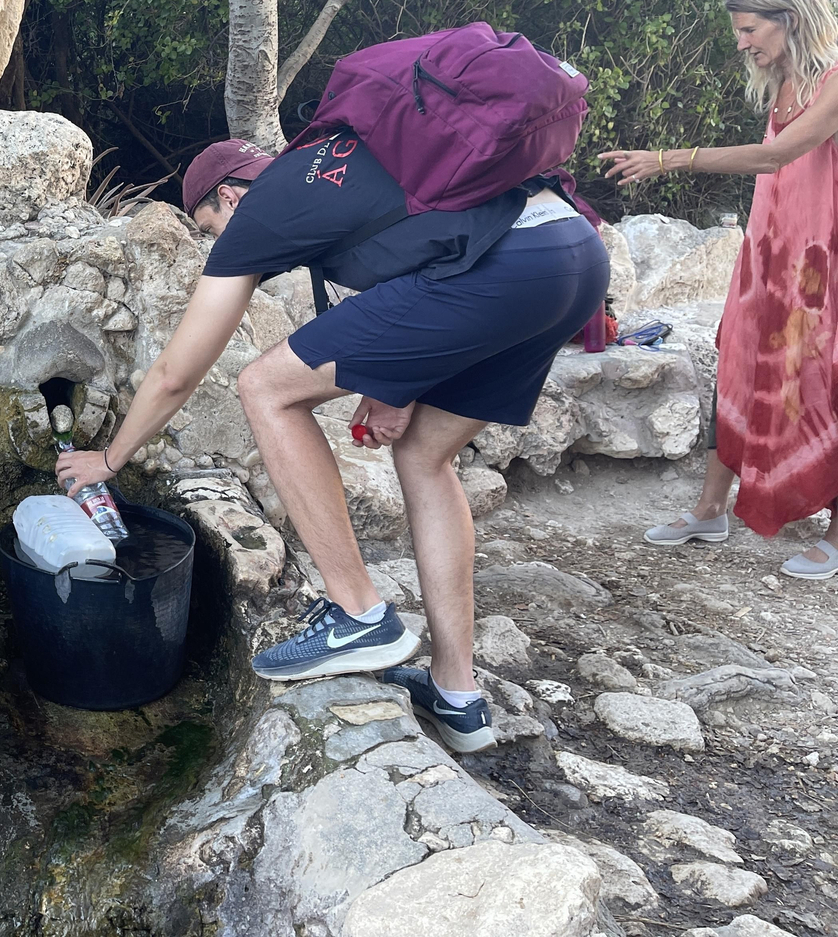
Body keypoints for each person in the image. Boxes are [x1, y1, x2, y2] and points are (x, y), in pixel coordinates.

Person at [55, 133, 609, 752]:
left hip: (503, 266)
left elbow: (176, 374)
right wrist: (395, 383)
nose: (217, 244)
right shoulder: (335, 172)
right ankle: (458, 698)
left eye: (208, 228)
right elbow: (424, 258)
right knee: (426, 456)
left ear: (230, 197)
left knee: (265, 388)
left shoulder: (260, 213)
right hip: (571, 255)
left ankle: (358, 615)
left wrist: (109, 458)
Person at [601, 0, 838, 578]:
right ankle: (710, 509)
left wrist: (669, 158)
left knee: (822, 379)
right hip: (769, 252)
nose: (742, 43)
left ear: (790, 18)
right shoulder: (783, 80)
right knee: (737, 360)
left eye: (749, 29)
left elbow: (779, 154)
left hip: (823, 260)